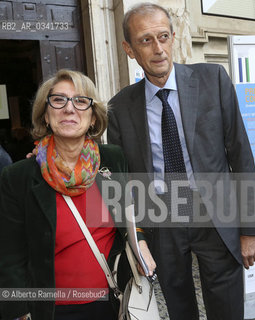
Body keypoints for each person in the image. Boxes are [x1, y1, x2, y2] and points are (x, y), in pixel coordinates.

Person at [108, 3, 255, 320]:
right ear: (129, 49)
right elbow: (121, 180)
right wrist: (136, 239)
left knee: (227, 308)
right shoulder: (120, 106)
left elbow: (240, 152)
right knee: (178, 308)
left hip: (216, 217)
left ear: (174, 37)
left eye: (163, 37)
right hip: (162, 221)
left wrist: (250, 230)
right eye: (145, 40)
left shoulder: (213, 80)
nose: (158, 49)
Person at [0, 69, 155, 320]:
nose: (69, 109)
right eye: (58, 100)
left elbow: (131, 213)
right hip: (53, 309)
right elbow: (10, 255)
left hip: (113, 300)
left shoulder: (113, 160)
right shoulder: (18, 177)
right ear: (46, 116)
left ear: (93, 117)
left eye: (81, 101)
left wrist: (141, 242)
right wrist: (19, 312)